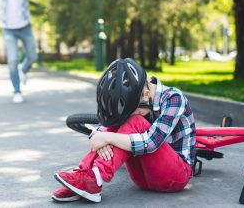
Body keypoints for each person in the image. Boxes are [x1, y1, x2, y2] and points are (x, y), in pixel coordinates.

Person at [52, 58, 196, 203]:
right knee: (117, 121)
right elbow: (103, 129)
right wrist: (99, 135)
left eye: (135, 110)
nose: (132, 115)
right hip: (142, 179)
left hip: (176, 176)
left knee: (135, 121)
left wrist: (106, 138)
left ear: (146, 94)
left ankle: (94, 179)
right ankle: (85, 178)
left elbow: (150, 142)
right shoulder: (140, 102)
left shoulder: (174, 98)